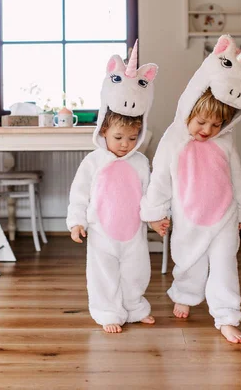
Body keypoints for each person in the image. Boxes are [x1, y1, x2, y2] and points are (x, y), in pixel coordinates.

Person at [141, 30, 241, 343]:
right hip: (189, 216)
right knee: (189, 261)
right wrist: (156, 212)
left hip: (224, 215)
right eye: (201, 122)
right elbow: (160, 177)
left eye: (217, 125)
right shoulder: (174, 139)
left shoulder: (224, 143)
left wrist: (240, 208)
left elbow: (236, 177)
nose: (208, 130)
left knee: (225, 264)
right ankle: (184, 294)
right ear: (189, 109)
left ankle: (226, 316)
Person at [67, 41, 159, 333]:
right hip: (101, 233)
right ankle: (108, 311)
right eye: (119, 137)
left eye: (133, 139)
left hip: (133, 232)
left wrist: (157, 217)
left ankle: (134, 306)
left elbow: (150, 195)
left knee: (136, 272)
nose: (125, 144)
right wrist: (76, 222)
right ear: (104, 131)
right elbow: (79, 194)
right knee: (103, 274)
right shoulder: (93, 162)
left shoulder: (141, 163)